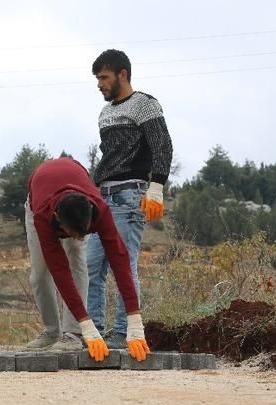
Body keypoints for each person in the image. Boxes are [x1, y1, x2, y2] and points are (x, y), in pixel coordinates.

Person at [24, 157, 149, 362]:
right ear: (57, 218)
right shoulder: (43, 216)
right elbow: (60, 271)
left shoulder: (99, 208)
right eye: (73, 233)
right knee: (39, 274)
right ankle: (52, 331)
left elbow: (120, 260)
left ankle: (73, 333)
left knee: (78, 263)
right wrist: (87, 323)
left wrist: (135, 321)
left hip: (74, 189)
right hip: (38, 198)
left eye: (84, 233)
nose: (80, 238)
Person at [88, 49, 173, 348]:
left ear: (122, 74)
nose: (99, 84)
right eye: (97, 78)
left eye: (104, 77)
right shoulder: (105, 113)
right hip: (103, 196)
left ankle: (124, 333)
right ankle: (95, 332)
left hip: (130, 195)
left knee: (123, 264)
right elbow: (108, 157)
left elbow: (162, 146)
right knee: (92, 265)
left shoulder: (145, 105)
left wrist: (156, 188)